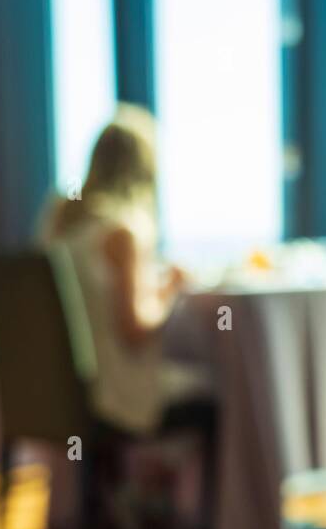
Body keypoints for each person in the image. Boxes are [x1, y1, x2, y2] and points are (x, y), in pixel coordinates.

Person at [37, 105, 214, 450]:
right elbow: (134, 329)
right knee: (216, 385)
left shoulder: (60, 226)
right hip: (115, 394)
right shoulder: (123, 232)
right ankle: (197, 500)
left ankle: (136, 491)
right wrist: (171, 287)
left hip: (62, 391)